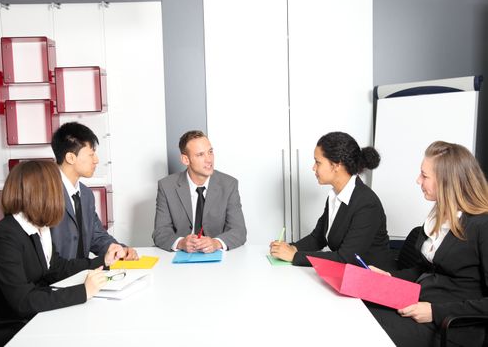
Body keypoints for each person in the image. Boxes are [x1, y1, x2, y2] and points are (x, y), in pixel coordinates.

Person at [0, 161, 124, 347]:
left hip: (26, 320)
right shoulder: (6, 236)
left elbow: (56, 267)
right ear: (41, 194)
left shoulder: (38, 228)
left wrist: (102, 261)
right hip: (1, 331)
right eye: (56, 189)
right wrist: (83, 291)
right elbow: (23, 301)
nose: (61, 196)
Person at [367, 141, 488, 347]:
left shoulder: (482, 226)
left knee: (365, 332)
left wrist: (435, 312)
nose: (418, 180)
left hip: (451, 327)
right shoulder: (440, 217)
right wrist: (389, 277)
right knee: (357, 311)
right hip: (418, 306)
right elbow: (425, 269)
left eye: (424, 175)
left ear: (447, 181)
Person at [270, 131, 391, 267]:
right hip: (348, 276)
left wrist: (295, 256)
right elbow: (318, 238)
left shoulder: (367, 203)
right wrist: (292, 248)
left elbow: (346, 258)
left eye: (318, 162)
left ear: (336, 165)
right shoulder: (335, 195)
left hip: (370, 280)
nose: (313, 168)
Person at [50, 122, 138, 260]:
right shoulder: (44, 192)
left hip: (82, 275)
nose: (96, 160)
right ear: (70, 158)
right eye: (91, 154)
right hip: (53, 278)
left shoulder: (85, 194)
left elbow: (95, 236)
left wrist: (119, 249)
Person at [153, 130, 247, 252]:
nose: (209, 160)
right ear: (185, 159)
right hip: (180, 259)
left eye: (210, 152)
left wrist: (216, 243)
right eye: (200, 155)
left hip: (218, 260)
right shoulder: (166, 186)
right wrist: (181, 243)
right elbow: (160, 232)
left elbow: (239, 231)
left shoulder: (229, 184)